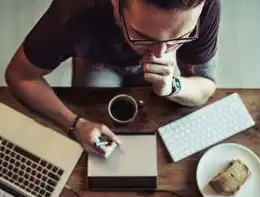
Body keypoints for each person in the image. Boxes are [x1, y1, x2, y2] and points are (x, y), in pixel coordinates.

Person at [5, 0, 220, 157]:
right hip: (98, 59)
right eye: (143, 37)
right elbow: (19, 76)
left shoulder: (204, 6)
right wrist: (75, 124)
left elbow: (206, 85)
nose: (159, 55)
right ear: (116, 4)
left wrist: (174, 85)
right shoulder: (73, 10)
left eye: (181, 37)